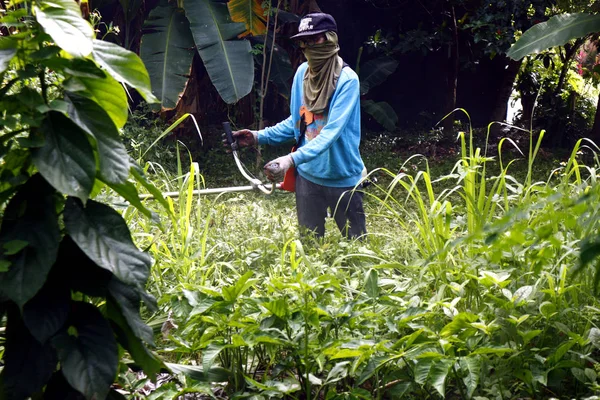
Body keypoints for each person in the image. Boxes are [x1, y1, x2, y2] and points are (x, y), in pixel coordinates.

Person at [231, 12, 366, 239]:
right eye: (304, 41)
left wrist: (289, 160)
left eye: (315, 39)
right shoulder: (302, 73)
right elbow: (297, 123)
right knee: (310, 245)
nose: (308, 46)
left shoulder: (347, 80)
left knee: (356, 246)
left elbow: (330, 133)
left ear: (331, 38)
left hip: (343, 178)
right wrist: (256, 136)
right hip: (308, 177)